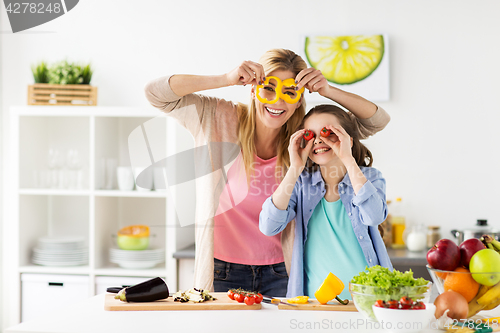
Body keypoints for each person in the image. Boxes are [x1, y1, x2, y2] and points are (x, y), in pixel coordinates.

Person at [144, 48, 390, 296]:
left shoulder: (305, 139)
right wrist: (226, 79)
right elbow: (156, 94)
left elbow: (376, 121)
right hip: (222, 269)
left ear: (298, 100)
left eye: (289, 93)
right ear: (253, 90)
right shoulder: (218, 118)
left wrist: (327, 90)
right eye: (268, 89)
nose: (277, 101)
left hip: (282, 270)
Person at [259, 104, 393, 299]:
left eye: (328, 132)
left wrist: (348, 158)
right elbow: (268, 226)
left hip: (369, 299)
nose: (318, 141)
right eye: (310, 135)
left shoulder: (370, 177)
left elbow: (373, 216)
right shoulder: (301, 183)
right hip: (315, 302)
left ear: (348, 139)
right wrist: (295, 167)